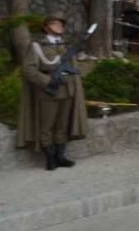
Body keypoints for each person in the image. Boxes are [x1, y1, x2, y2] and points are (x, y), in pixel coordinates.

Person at [18, 13, 88, 170]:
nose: (59, 26)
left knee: (62, 126)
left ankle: (60, 156)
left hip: (67, 91)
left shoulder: (65, 45)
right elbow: (28, 69)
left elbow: (72, 66)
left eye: (61, 24)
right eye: (55, 23)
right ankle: (50, 159)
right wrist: (48, 81)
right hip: (48, 92)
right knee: (47, 126)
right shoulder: (37, 46)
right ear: (46, 27)